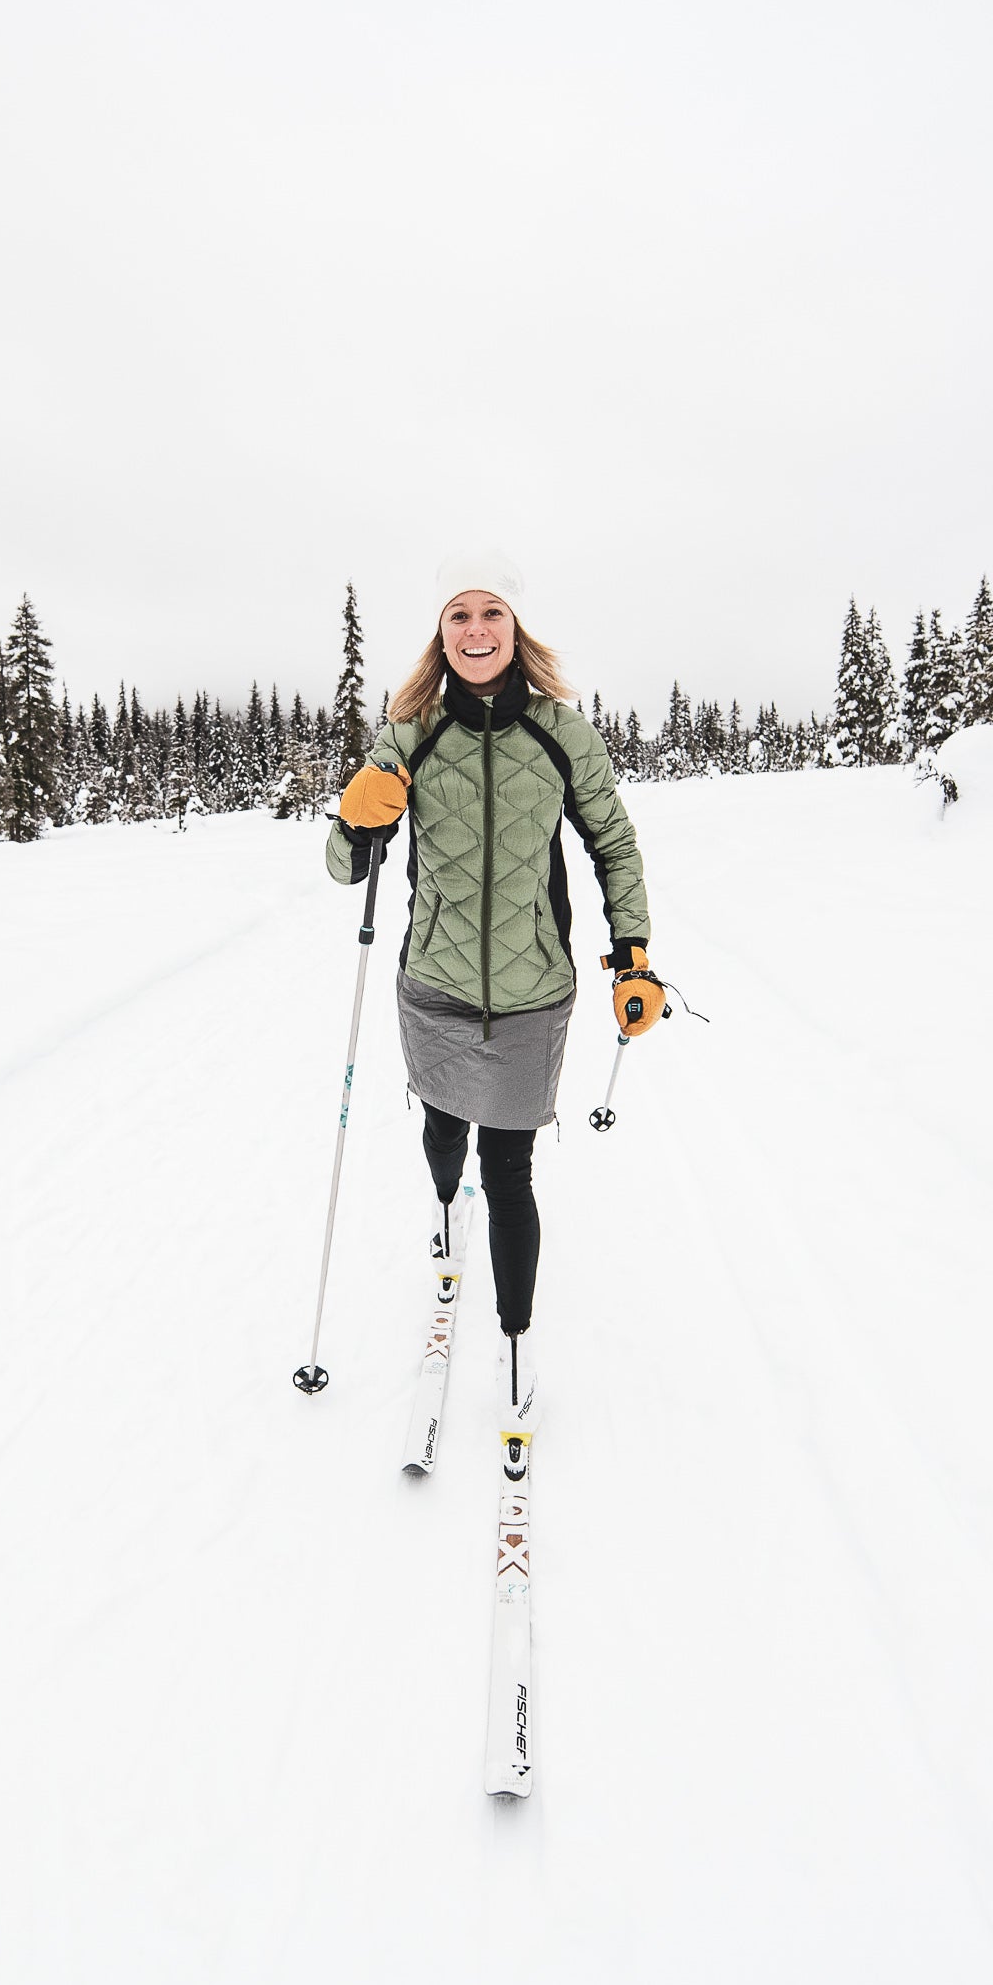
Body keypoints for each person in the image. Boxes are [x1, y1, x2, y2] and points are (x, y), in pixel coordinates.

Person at [324, 550, 663, 1430]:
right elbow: (343, 865)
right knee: (441, 1119)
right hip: (432, 981)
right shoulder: (412, 731)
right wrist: (356, 821)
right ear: (441, 637)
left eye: (493, 614)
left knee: (508, 1171)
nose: (476, 630)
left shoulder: (562, 730)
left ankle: (515, 1346)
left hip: (532, 992)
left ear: (517, 632)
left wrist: (633, 954)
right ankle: (444, 1220)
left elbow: (613, 845)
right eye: (458, 615)